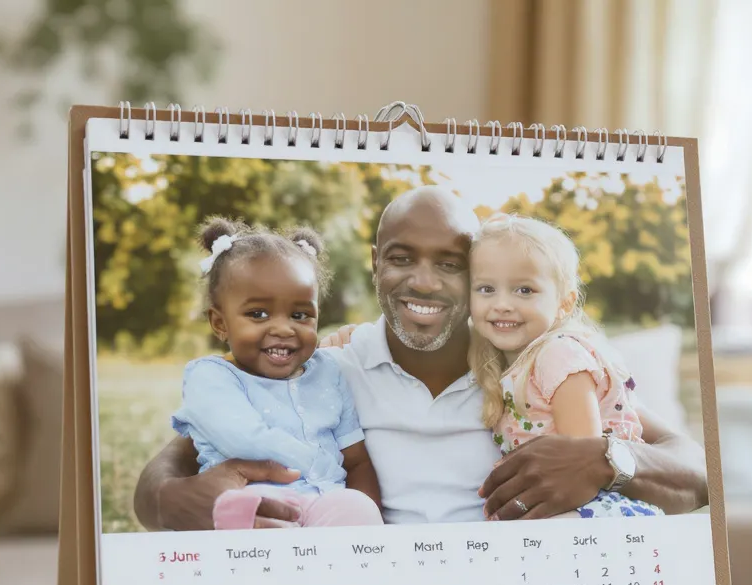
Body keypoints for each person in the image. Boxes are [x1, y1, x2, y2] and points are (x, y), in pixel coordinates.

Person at [133, 186, 708, 531]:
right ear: (376, 263)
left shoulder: (530, 365)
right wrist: (168, 499)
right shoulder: (327, 363)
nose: (423, 282)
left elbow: (697, 471)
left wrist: (607, 459)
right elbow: (169, 468)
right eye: (401, 258)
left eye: (451, 264)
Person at [166, 217, 383, 530]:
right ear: (220, 323)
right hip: (260, 500)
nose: (283, 328)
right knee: (252, 505)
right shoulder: (210, 377)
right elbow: (245, 441)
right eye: (258, 314)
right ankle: (232, 522)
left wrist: (368, 513)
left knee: (355, 506)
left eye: (300, 315)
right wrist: (318, 463)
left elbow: (356, 458)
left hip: (325, 502)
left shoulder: (327, 372)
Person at [468, 213, 661, 518]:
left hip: (589, 506)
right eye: (486, 289)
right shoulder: (508, 361)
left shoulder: (558, 355)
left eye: (524, 290)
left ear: (564, 303)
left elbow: (582, 459)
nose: (502, 303)